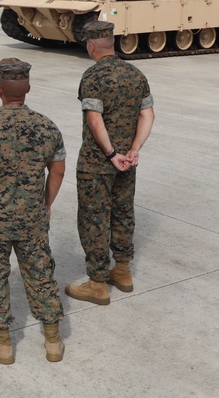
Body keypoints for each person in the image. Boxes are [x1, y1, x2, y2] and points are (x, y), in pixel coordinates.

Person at [0, 58, 66, 365]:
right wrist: (45, 204)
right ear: (28, 89)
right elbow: (57, 172)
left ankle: (2, 344)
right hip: (32, 216)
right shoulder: (47, 127)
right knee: (40, 274)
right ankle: (53, 341)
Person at [65, 20, 155, 306]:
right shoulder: (135, 74)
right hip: (127, 163)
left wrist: (110, 153)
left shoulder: (93, 76)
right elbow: (148, 115)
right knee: (123, 212)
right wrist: (133, 150)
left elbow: (94, 118)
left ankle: (97, 283)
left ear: (91, 46)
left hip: (98, 164)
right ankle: (123, 270)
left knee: (94, 218)